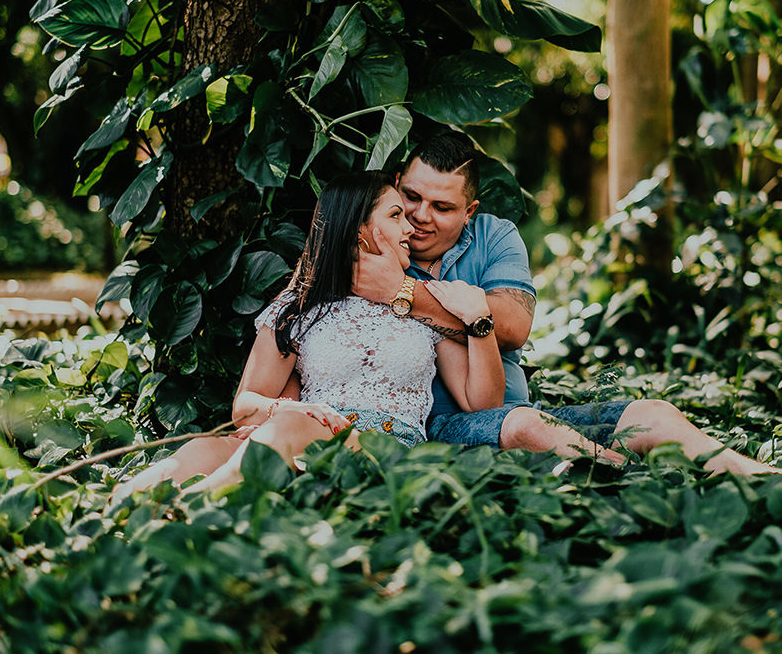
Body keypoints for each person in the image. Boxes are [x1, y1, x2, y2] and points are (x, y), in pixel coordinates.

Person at [352, 132, 777, 475]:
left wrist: (404, 293)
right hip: (433, 426)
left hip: (520, 414)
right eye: (411, 197)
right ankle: (629, 476)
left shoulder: (494, 236)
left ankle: (761, 477)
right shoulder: (371, 248)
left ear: (469, 211)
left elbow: (514, 325)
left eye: (442, 207)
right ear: (395, 185)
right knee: (530, 427)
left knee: (654, 413)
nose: (420, 216)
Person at [113, 171, 504, 498]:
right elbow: (245, 407)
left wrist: (480, 321)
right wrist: (290, 409)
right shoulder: (297, 308)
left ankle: (188, 509)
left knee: (290, 429)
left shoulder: (425, 302)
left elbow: (481, 400)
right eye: (396, 215)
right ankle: (120, 504)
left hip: (386, 450)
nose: (409, 227)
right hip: (303, 431)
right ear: (360, 230)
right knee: (208, 446)